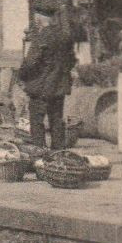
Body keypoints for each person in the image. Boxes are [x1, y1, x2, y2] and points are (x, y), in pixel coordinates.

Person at [19, 9, 76, 150]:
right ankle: (59, 155)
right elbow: (72, 60)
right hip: (59, 86)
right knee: (57, 121)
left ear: (38, 20)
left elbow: (31, 62)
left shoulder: (41, 37)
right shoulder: (65, 37)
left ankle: (39, 155)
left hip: (41, 86)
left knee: (37, 121)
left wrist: (22, 75)